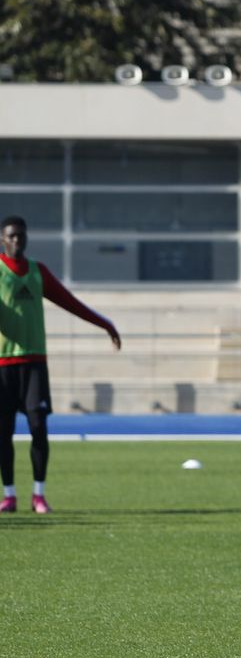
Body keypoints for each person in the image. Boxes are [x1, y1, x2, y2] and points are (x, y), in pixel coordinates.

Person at [0, 215, 122, 513]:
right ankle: (9, 494)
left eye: (21, 235)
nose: (18, 240)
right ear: (3, 239)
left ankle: (38, 495)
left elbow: (70, 302)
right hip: (3, 365)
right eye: (12, 236)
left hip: (35, 363)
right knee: (3, 432)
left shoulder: (37, 272)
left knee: (38, 427)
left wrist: (104, 324)